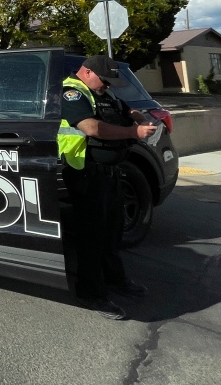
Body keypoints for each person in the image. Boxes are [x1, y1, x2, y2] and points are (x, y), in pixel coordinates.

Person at [59, 54, 158, 320]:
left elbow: (124, 110)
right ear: (88, 73)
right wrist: (132, 133)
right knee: (91, 237)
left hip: (111, 174)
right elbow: (91, 127)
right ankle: (91, 295)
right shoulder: (72, 93)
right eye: (105, 80)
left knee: (112, 232)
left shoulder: (103, 93)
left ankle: (115, 281)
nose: (108, 86)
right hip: (85, 174)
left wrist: (135, 116)